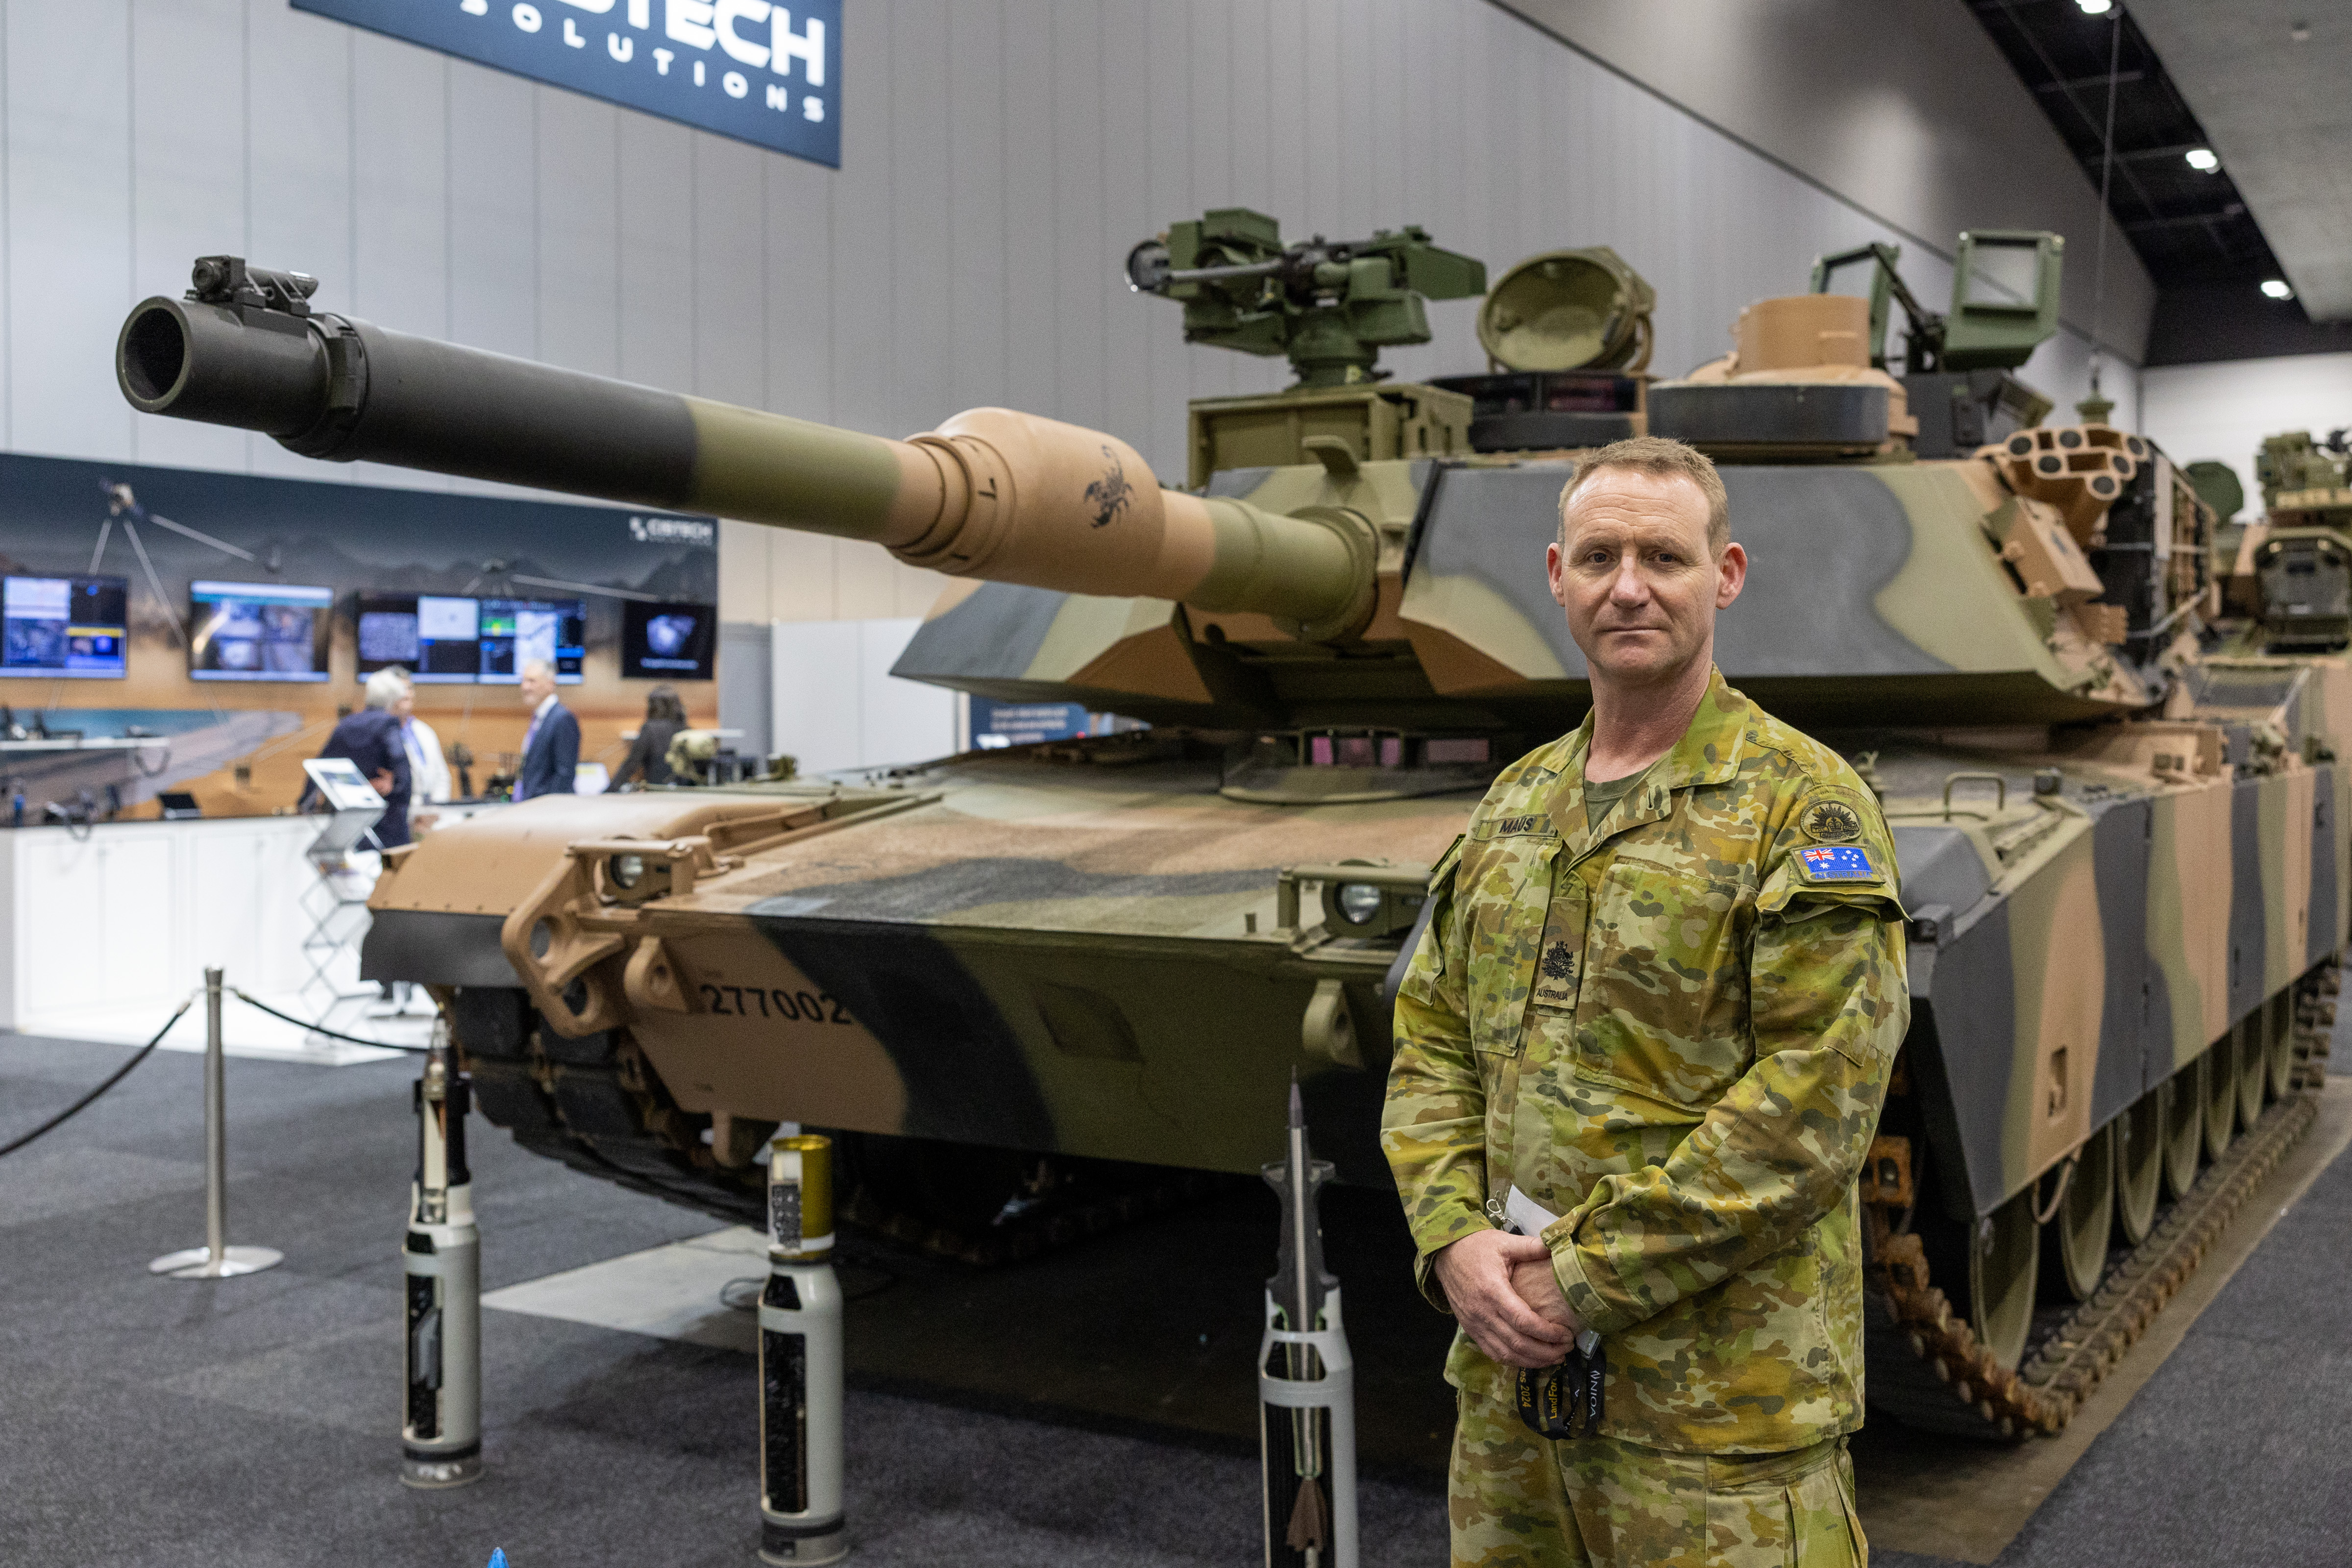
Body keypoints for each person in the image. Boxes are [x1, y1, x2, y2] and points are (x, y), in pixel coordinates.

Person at [1383, 436, 1907, 1567]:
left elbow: (1813, 1109)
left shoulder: (1802, 807)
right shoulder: (1514, 805)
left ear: (1722, 575)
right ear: (1555, 574)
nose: (1627, 585)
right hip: (1513, 1396)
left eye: (1661, 556)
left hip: (1716, 1417)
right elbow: (1430, 1034)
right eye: (1599, 554)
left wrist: (1578, 1277)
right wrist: (1451, 1238)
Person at [305, 667, 414, 849]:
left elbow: (319, 765)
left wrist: (304, 803)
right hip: (386, 823)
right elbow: (402, 769)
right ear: (393, 700)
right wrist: (397, 788)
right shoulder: (388, 724)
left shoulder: (346, 724)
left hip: (348, 823)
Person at [511, 657, 580, 802]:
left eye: (532, 681)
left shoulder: (562, 719)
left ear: (550, 684)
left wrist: (545, 812)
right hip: (531, 807)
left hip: (548, 813)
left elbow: (564, 775)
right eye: (524, 681)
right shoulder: (540, 718)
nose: (525, 687)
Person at [386, 669, 452, 814]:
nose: (407, 694)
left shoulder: (425, 731)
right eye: (402, 689)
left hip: (434, 813)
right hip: (402, 814)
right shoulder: (382, 734)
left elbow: (443, 777)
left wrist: (435, 811)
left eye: (410, 688)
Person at [606, 685, 686, 790]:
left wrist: (610, 790)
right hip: (685, 794)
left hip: (658, 792)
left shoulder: (650, 729)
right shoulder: (687, 729)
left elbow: (632, 764)